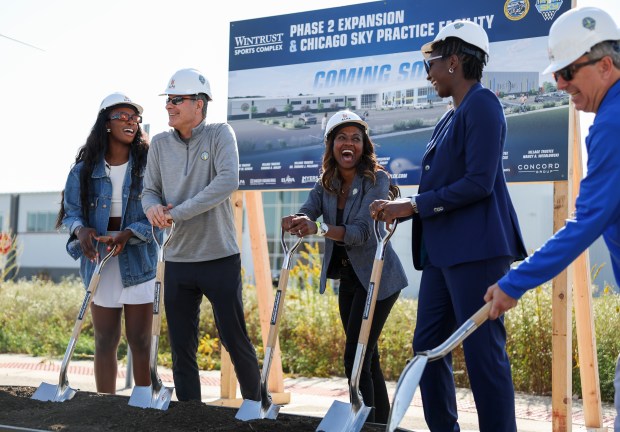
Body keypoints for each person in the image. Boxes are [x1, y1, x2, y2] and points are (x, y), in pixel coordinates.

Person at [369, 21, 527, 431]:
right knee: (428, 348)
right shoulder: (450, 116)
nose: (429, 73)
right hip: (443, 254)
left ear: (455, 62)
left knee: (482, 355)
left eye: (433, 63)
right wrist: (402, 202)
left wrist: (416, 206)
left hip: (477, 251)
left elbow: (479, 182)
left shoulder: (483, 106)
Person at [483, 6, 620, 430]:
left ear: (605, 65)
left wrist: (514, 281)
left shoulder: (612, 124)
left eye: (567, 72)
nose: (560, 84)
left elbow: (587, 222)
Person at [141, 68, 261, 403]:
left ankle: (257, 407)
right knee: (182, 348)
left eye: (177, 100)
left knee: (234, 339)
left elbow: (226, 182)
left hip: (219, 257)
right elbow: (149, 191)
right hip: (178, 260)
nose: (169, 106)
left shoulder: (221, 134)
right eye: (168, 100)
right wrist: (152, 209)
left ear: (199, 104)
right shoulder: (160, 145)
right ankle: (190, 417)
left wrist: (175, 213)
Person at [281, 110, 408, 424]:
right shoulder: (326, 182)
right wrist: (297, 220)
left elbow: (362, 233)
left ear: (364, 144)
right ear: (331, 144)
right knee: (368, 357)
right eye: (341, 137)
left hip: (379, 279)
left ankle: (361, 422)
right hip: (350, 278)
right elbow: (308, 210)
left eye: (355, 137)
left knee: (355, 357)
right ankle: (381, 424)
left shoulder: (377, 180)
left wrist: (319, 229)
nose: (348, 143)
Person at [57, 92, 158, 394]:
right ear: (105, 124)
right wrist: (81, 231)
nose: (131, 122)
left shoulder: (148, 167)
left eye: (135, 118)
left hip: (139, 259)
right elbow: (70, 214)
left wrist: (129, 233)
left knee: (140, 341)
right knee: (104, 340)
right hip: (100, 261)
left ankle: (143, 408)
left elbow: (159, 212)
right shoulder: (83, 171)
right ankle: (106, 408)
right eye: (123, 116)